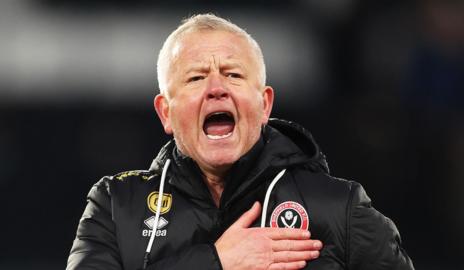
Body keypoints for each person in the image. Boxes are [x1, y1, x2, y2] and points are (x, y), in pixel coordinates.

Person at [67, 14, 414, 270]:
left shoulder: (338, 208)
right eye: (195, 77)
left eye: (233, 74)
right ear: (166, 113)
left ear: (264, 105)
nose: (216, 87)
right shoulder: (116, 206)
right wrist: (216, 262)